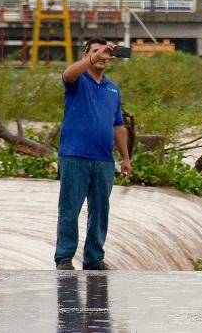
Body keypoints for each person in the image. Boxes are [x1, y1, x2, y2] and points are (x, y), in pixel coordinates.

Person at [54, 38, 131, 271]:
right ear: (86, 55)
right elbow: (67, 74)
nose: (102, 56)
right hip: (75, 156)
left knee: (100, 210)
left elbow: (118, 126)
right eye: (96, 52)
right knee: (70, 209)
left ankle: (94, 258)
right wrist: (92, 58)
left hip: (103, 159)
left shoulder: (112, 89)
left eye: (106, 53)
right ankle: (65, 258)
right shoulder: (78, 81)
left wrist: (125, 158)